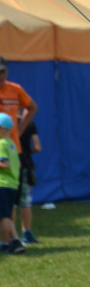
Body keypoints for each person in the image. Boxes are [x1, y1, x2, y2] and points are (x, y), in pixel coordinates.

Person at [0, 56, 38, 157]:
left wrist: (19, 131)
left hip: (12, 146)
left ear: (7, 71)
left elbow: (32, 107)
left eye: (3, 71)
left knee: (14, 172)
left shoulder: (15, 90)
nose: (1, 75)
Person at [0, 112, 25, 254]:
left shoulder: (2, 144)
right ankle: (9, 242)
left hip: (2, 183)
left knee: (4, 216)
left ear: (3, 128)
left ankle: (9, 242)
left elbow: (5, 164)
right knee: (6, 214)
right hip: (13, 184)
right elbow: (18, 165)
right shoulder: (12, 145)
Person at [17, 119, 42, 244]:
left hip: (8, 168)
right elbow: (37, 147)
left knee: (9, 203)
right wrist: (27, 150)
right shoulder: (29, 123)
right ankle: (26, 234)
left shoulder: (4, 124)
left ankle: (10, 238)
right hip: (26, 164)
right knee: (25, 202)